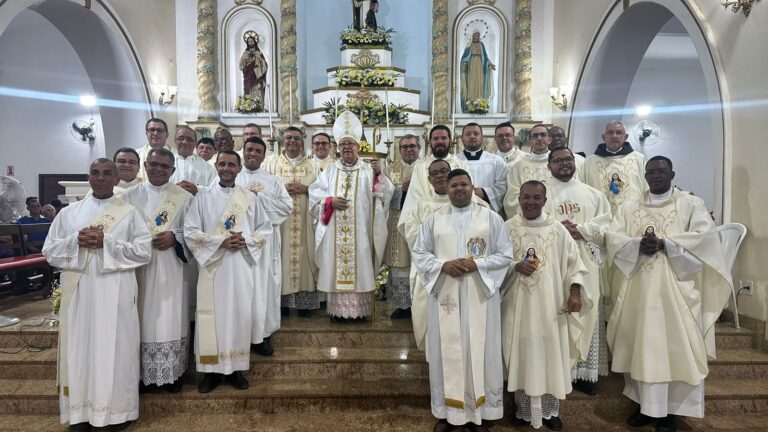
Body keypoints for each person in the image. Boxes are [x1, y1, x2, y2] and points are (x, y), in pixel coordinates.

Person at [604, 156, 732, 432]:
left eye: (662, 171)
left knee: (673, 350)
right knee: (640, 347)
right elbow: (614, 238)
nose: (656, 176)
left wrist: (666, 244)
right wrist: (638, 245)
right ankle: (644, 406)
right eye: (651, 172)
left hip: (676, 292)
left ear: (672, 173)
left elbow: (706, 239)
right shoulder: (630, 206)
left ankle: (669, 412)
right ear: (645, 175)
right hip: (639, 289)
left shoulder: (690, 204)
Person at [42, 158, 152, 431]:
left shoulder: (130, 213)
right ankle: (80, 414)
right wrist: (75, 241)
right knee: (81, 350)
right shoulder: (69, 214)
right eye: (95, 173)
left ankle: (117, 413)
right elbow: (49, 251)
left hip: (116, 294)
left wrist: (108, 243)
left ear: (117, 179)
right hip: (80, 295)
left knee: (118, 350)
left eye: (107, 173)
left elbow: (143, 252)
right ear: (88, 177)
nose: (100, 178)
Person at [411, 168, 513, 432]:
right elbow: (420, 253)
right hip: (446, 296)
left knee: (481, 351)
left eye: (463, 185)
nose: (458, 189)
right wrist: (443, 266)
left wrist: (476, 264)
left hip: (479, 297)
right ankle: (447, 413)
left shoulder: (491, 218)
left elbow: (505, 256)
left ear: (472, 186)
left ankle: (482, 413)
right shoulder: (434, 220)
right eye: (453, 185)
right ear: (446, 188)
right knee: (447, 352)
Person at [502, 180, 591, 431]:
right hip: (516, 307)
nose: (530, 202)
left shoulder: (557, 230)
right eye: (526, 197)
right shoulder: (507, 228)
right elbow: (496, 263)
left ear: (545, 201)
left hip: (551, 308)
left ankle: (551, 412)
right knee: (520, 356)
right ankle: (523, 411)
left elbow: (575, 264)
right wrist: (514, 266)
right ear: (519, 199)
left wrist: (575, 291)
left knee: (550, 356)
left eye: (536, 198)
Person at [184, 150, 272, 394]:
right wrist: (219, 242)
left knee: (238, 315)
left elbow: (265, 230)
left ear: (239, 168)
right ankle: (210, 372)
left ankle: (235, 369)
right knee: (210, 317)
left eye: (231, 164)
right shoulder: (202, 197)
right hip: (212, 267)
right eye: (222, 164)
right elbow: (190, 230)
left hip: (239, 267)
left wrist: (247, 241)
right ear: (216, 166)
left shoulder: (250, 198)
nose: (226, 168)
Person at [308, 111, 394, 321]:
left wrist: (379, 175)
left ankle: (360, 312)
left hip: (361, 233)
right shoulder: (329, 171)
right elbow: (314, 195)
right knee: (335, 268)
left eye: (351, 144)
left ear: (358, 147)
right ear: (338, 148)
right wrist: (329, 202)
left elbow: (384, 195)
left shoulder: (367, 170)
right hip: (334, 234)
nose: (347, 147)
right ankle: (338, 312)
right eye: (343, 144)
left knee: (361, 268)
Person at [122, 148, 193, 394]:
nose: (159, 169)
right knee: (139, 318)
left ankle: (171, 373)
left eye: (164, 166)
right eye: (154, 164)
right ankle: (141, 374)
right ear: (145, 165)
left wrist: (175, 236)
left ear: (172, 170)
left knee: (171, 318)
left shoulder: (183, 197)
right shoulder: (129, 197)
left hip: (171, 269)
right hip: (139, 269)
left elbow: (195, 231)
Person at [544, 146, 612, 396]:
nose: (564, 164)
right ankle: (558, 369)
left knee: (586, 312)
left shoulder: (593, 195)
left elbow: (608, 226)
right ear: (549, 165)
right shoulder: (541, 193)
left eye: (568, 160)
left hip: (586, 261)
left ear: (575, 163)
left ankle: (583, 374)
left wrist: (581, 229)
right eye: (558, 160)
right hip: (554, 262)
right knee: (557, 313)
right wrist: (557, 229)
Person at [236, 137, 293, 356]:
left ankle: (262, 335)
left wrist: (258, 199)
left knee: (263, 287)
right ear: (243, 151)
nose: (252, 154)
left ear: (263, 155)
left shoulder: (273, 180)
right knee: (240, 289)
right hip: (236, 243)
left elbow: (286, 207)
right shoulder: (231, 176)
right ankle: (238, 334)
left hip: (263, 242)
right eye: (249, 149)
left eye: (258, 151)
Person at [264, 127, 321, 316]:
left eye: (296, 138)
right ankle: (283, 304)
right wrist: (281, 190)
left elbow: (323, 192)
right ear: (282, 141)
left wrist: (307, 189)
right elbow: (262, 191)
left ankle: (305, 306)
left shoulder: (314, 166)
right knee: (280, 257)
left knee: (307, 257)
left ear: (302, 141)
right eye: (288, 138)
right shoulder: (271, 165)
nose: (292, 141)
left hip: (306, 223)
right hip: (281, 225)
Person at [384, 134, 420, 319]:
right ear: (399, 150)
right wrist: (401, 192)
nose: (408, 149)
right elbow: (384, 198)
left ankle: (419, 305)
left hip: (419, 223)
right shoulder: (390, 169)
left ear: (419, 148)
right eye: (404, 147)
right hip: (397, 224)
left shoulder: (426, 168)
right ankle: (403, 306)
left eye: (412, 146)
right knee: (400, 265)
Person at [584, 120, 647, 215]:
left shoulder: (638, 159)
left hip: (632, 215)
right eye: (610, 133)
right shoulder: (590, 162)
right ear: (603, 137)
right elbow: (585, 190)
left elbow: (646, 188)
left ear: (625, 137)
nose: (614, 136)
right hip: (601, 216)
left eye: (619, 133)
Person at [401, 125, 467, 215]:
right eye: (435, 139)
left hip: (457, 214)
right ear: (430, 142)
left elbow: (468, 194)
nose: (440, 141)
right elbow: (413, 198)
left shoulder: (462, 165)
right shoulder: (420, 167)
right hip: (426, 215)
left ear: (450, 141)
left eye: (443, 138)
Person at [503, 124, 552, 218]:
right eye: (535, 136)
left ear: (549, 139)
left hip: (554, 219)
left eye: (543, 135)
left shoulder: (558, 164)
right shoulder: (518, 167)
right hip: (527, 218)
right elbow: (511, 199)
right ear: (530, 142)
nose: (539, 138)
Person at [458, 123, 508, 213]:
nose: (472, 137)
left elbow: (503, 186)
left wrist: (484, 192)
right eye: (468, 134)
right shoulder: (455, 161)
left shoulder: (496, 161)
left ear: (482, 137)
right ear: (462, 138)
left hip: (489, 212)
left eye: (476, 134)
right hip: (461, 210)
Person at [170, 126, 217, 195]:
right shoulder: (165, 163)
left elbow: (214, 191)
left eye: (189, 139)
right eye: (181, 138)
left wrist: (198, 190)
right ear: (175, 141)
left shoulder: (207, 168)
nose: (185, 142)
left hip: (198, 204)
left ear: (195, 143)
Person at [460, 31, 495, 113]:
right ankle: (471, 102)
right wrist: (464, 63)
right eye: (475, 35)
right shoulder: (469, 45)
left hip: (480, 65)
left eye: (478, 35)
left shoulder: (481, 45)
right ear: (472, 36)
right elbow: (464, 57)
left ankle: (480, 102)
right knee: (471, 82)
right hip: (472, 65)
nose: (477, 37)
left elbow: (485, 57)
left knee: (479, 83)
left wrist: (490, 64)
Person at [239, 33, 268, 105]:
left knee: (257, 88)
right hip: (248, 74)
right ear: (247, 43)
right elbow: (241, 65)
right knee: (248, 89)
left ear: (255, 41)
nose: (250, 42)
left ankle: (258, 104)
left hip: (257, 74)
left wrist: (258, 59)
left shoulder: (259, 52)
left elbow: (264, 65)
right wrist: (246, 60)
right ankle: (248, 104)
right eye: (249, 41)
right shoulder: (245, 53)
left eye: (252, 41)